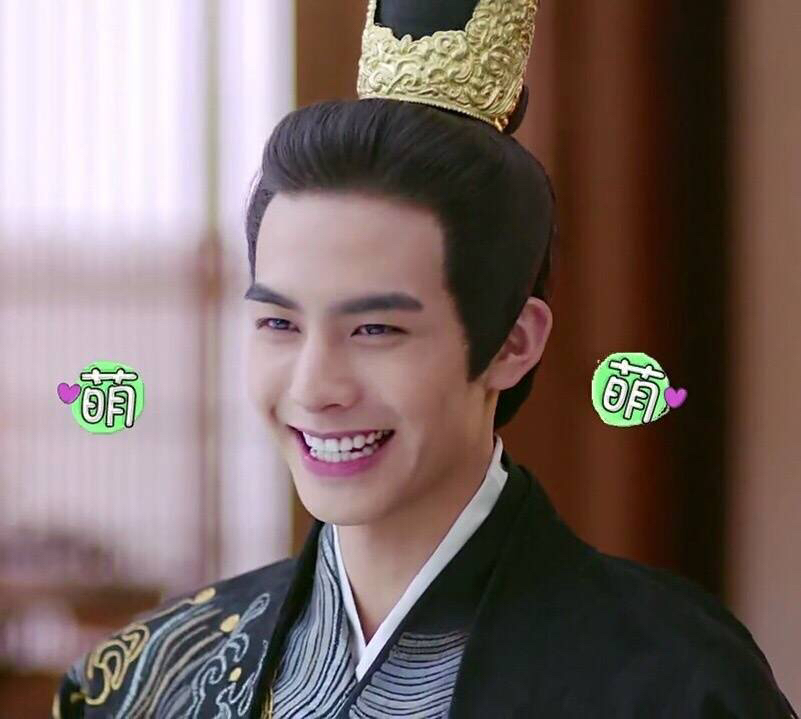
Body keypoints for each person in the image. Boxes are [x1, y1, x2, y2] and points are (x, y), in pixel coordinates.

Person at [53, 1, 797, 717]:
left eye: (375, 329)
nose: (315, 386)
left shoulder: (675, 684)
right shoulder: (148, 678)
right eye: (279, 322)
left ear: (511, 342)